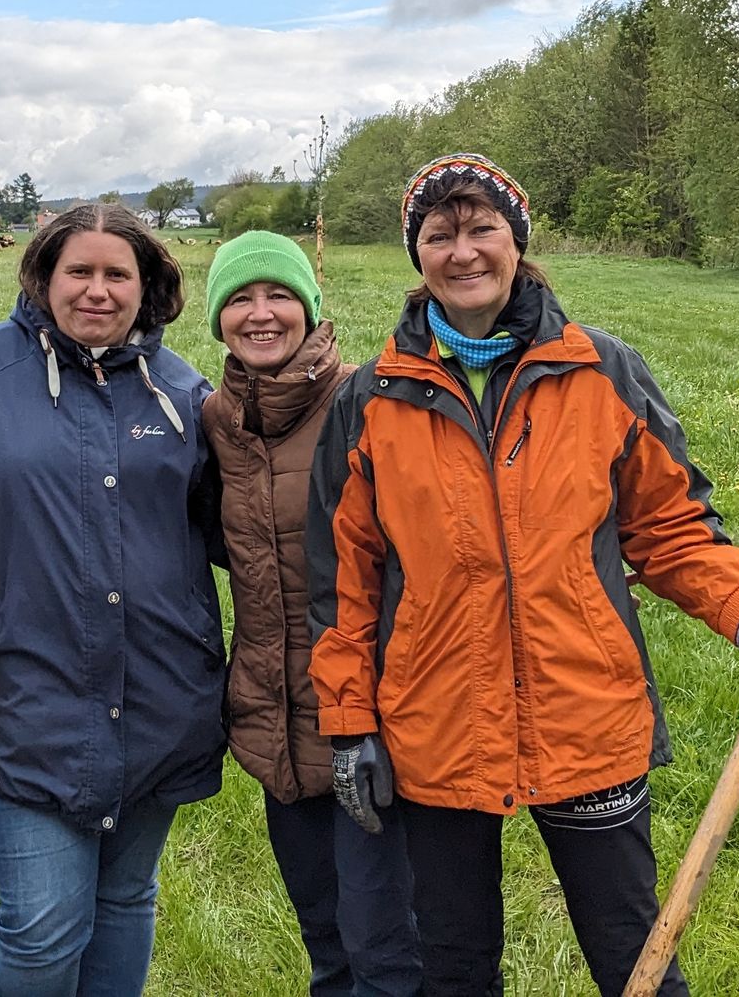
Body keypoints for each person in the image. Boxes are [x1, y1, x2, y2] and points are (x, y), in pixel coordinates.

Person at [305, 154, 739, 997]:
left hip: (585, 714)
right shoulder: (371, 400)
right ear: (418, 256)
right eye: (440, 235)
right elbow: (342, 588)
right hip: (436, 722)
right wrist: (348, 725)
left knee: (634, 955)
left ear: (516, 241)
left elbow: (670, 528)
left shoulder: (605, 373)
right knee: (452, 962)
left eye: (482, 229)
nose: (463, 251)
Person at [0, 203, 224, 996]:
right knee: (41, 927)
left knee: (127, 899)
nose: (97, 291)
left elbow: (241, 535)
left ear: (148, 286)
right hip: (21, 698)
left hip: (161, 695)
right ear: (43, 276)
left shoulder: (182, 394)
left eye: (116, 275)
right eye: (80, 272)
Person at [201, 232, 423, 997]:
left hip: (375, 718)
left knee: (388, 952)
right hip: (276, 722)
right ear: (217, 317)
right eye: (240, 298)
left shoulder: (372, 401)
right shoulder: (216, 423)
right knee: (327, 944)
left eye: (279, 295)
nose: (261, 314)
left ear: (312, 308)